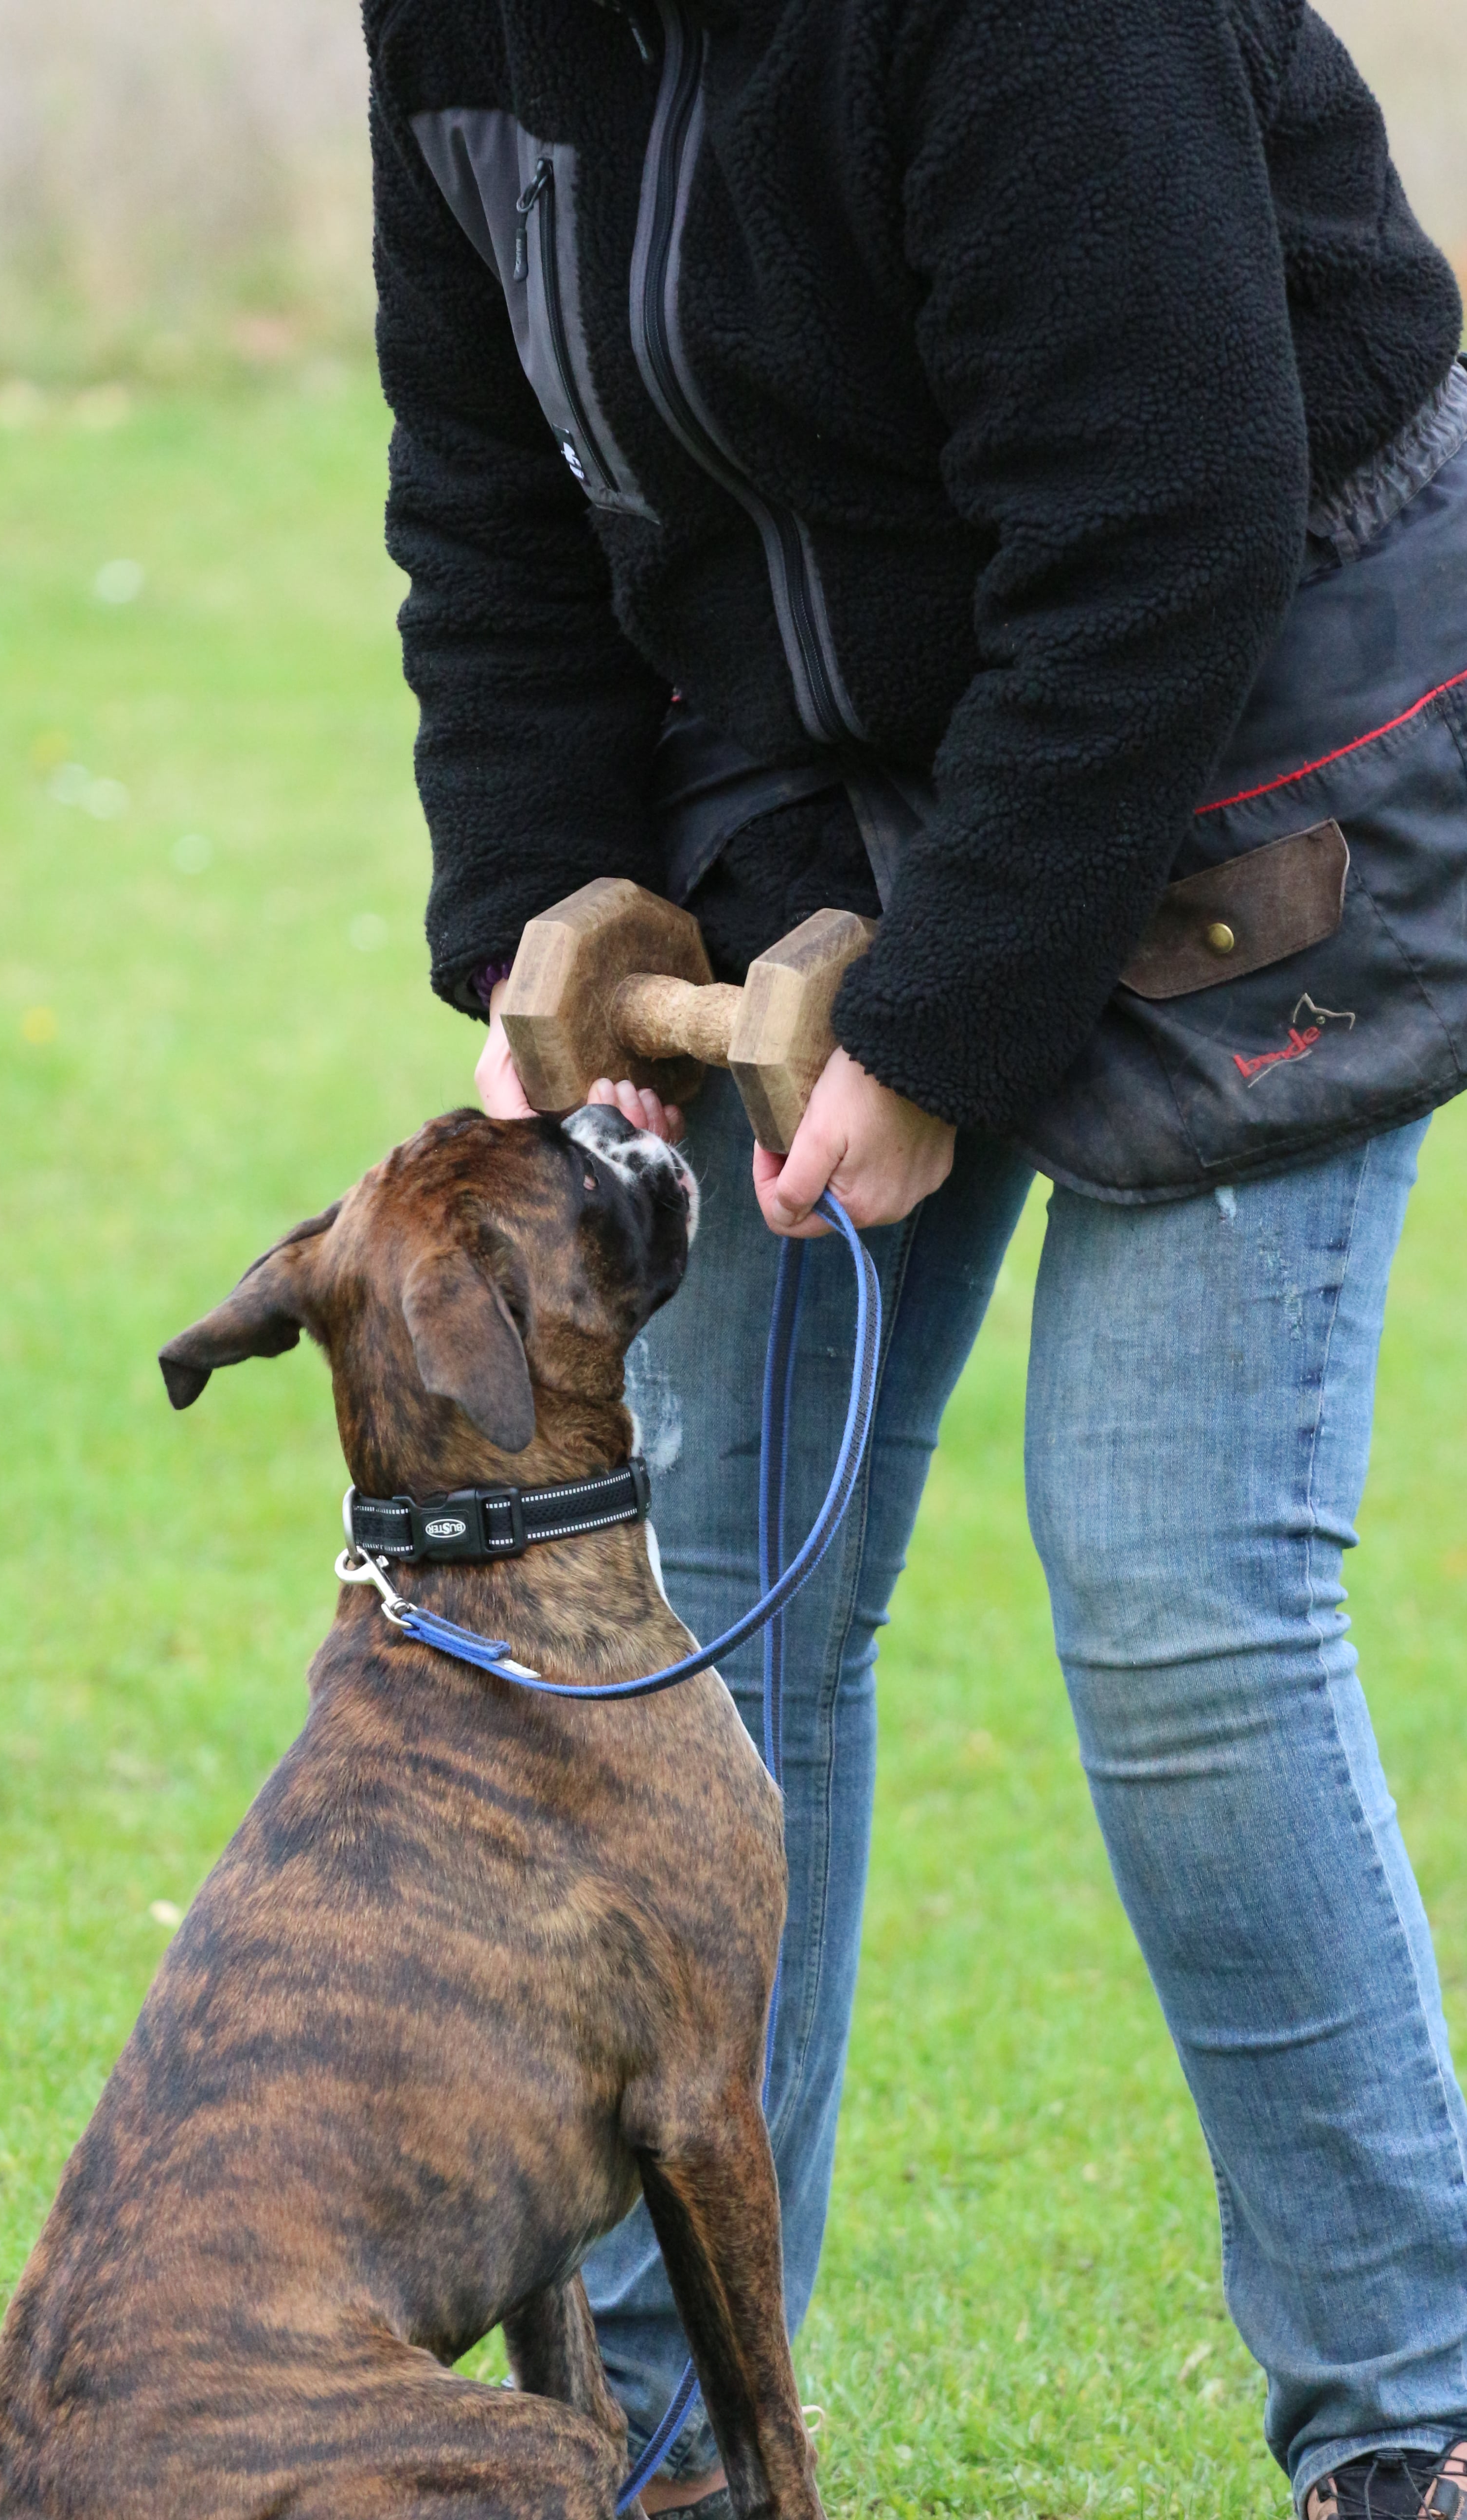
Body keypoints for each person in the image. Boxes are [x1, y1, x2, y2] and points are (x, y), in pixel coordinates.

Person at [363, 0, 1467, 2508]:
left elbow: (1167, 512)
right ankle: (656, 2442)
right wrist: (555, 915)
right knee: (722, 1622)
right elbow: (495, 503)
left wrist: (946, 1020)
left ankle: (1418, 2423)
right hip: (823, 755)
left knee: (1185, 1609)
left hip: (1260, 734)